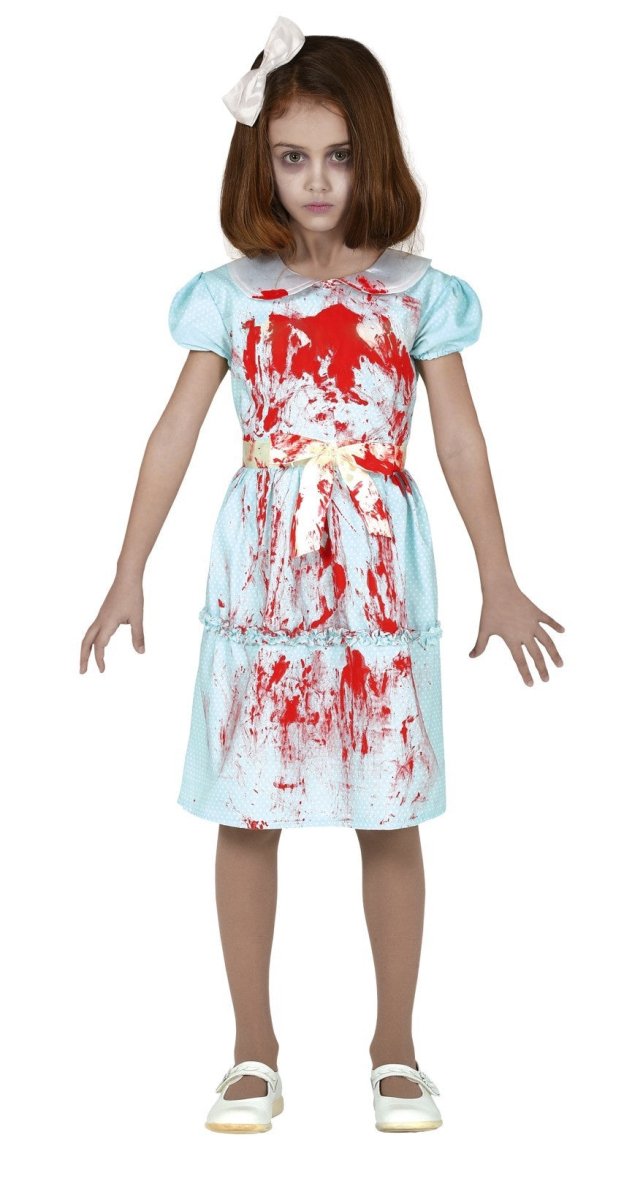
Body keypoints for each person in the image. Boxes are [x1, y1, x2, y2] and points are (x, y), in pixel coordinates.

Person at [79, 16, 565, 1134]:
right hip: (263, 577)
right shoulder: (231, 294)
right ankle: (251, 1051)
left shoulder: (416, 293)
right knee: (247, 810)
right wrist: (125, 573)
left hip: (378, 577)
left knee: (388, 812)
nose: (315, 180)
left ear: (373, 155)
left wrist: (497, 577)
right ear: (260, 160)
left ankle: (395, 1048)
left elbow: (459, 441)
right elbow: (172, 435)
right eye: (291, 156)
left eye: (338, 156)